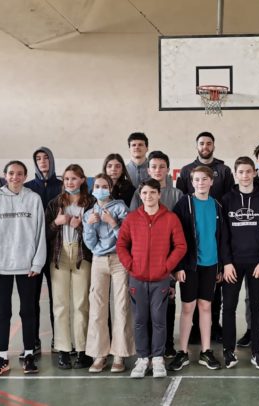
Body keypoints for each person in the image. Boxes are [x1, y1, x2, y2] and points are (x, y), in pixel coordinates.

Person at [117, 179, 187, 379]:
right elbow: (121, 245)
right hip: (137, 279)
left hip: (160, 280)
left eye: (152, 193)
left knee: (158, 320)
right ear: (140, 195)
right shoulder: (132, 218)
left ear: (159, 194)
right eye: (145, 193)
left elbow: (181, 246)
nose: (148, 197)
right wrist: (131, 265)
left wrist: (166, 267)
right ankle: (142, 358)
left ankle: (157, 358)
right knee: (139, 320)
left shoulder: (170, 218)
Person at [0, 160, 47, 376]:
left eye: (20, 173)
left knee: (28, 311)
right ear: (5, 175)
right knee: (3, 312)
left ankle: (28, 354)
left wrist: (37, 262)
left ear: (25, 176)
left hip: (27, 266)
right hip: (1, 267)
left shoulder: (33, 198)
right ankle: (2, 357)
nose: (15, 177)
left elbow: (40, 233)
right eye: (11, 173)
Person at [219, 157, 259, 369]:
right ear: (236, 174)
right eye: (240, 172)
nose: (244, 175)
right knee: (229, 307)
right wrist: (226, 263)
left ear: (254, 173)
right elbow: (222, 235)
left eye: (248, 171)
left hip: (257, 264)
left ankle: (256, 351)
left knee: (256, 307)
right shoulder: (226, 200)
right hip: (233, 263)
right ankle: (228, 351)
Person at [169, 166, 225, 371]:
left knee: (206, 307)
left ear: (212, 182)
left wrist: (220, 265)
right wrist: (179, 266)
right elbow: (174, 237)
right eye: (197, 180)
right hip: (190, 266)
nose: (200, 183)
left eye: (204, 179)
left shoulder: (217, 205)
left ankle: (206, 351)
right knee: (187, 308)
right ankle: (182, 352)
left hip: (210, 265)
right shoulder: (185, 203)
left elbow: (221, 238)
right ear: (192, 183)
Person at [129, 150, 184, 357]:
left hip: (167, 262)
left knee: (167, 302)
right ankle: (147, 348)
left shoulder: (176, 194)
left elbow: (180, 235)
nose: (157, 170)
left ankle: (166, 344)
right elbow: (135, 224)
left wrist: (172, 265)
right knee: (145, 311)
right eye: (153, 167)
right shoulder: (139, 193)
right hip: (144, 263)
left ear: (168, 169)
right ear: (148, 169)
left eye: (162, 166)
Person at [45, 164, 95, 370]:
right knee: (61, 305)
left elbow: (98, 233)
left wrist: (80, 226)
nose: (70, 182)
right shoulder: (55, 203)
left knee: (82, 304)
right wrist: (56, 223)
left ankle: (83, 350)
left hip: (82, 256)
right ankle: (64, 350)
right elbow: (44, 234)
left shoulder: (91, 203)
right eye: (66, 179)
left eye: (74, 178)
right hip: (59, 256)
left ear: (82, 180)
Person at [83, 174, 133, 374]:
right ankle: (99, 354)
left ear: (111, 188)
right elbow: (90, 243)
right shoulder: (90, 212)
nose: (101, 189)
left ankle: (119, 354)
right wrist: (90, 225)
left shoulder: (121, 209)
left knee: (121, 306)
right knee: (97, 306)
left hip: (120, 260)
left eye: (105, 186)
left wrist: (113, 223)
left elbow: (127, 238)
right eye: (97, 186)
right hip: (99, 261)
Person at [24, 147, 62, 355]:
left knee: (58, 298)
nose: (42, 161)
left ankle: (59, 339)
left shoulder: (63, 185)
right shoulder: (28, 188)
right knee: (31, 300)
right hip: (32, 252)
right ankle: (33, 341)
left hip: (56, 250)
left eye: (46, 157)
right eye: (38, 158)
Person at [176, 131, 235, 201]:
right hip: (193, 211)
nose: (205, 146)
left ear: (213, 147)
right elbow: (181, 198)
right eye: (201, 144)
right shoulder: (186, 170)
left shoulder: (224, 170)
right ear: (196, 147)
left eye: (209, 144)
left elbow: (230, 198)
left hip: (218, 211)